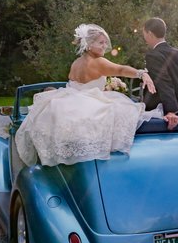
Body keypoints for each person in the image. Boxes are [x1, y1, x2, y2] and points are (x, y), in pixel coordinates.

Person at [15, 23, 160, 167]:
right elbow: (121, 70)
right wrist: (141, 74)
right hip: (87, 101)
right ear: (89, 45)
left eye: (105, 43)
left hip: (68, 99)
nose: (105, 46)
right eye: (101, 43)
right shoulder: (97, 62)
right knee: (126, 112)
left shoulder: (76, 62)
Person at [142, 17, 178, 130]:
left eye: (144, 33)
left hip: (164, 113)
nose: (144, 38)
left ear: (149, 33)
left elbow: (164, 82)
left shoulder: (153, 55)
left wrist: (171, 111)